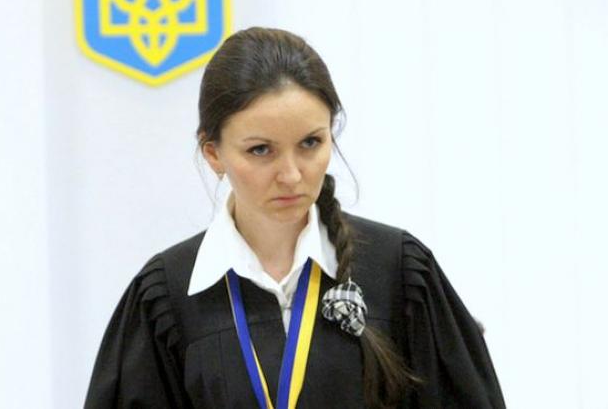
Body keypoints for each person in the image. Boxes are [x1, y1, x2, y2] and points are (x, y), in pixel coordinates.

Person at [84, 27, 506, 409]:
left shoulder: (397, 271)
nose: (290, 175)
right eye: (260, 150)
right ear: (213, 153)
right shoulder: (169, 297)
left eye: (310, 143)